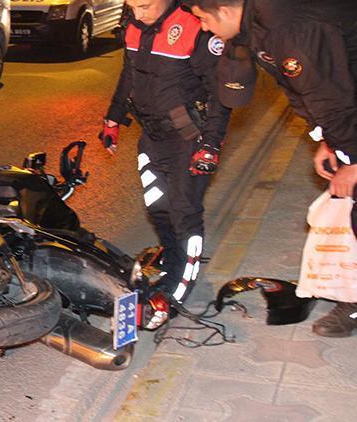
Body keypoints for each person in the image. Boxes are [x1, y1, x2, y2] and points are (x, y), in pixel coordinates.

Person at [186, 0, 357, 337]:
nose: (204, 28)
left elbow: (332, 98)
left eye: (203, 19)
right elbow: (301, 91)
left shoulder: (288, 29)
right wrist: (326, 139)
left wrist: (353, 157)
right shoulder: (258, 28)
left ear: (224, 9)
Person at [101, 0, 231, 329]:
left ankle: (176, 292)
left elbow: (222, 93)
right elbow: (130, 71)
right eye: (132, 6)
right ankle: (174, 261)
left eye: (145, 6)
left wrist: (210, 144)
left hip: (189, 135)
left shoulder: (195, 25)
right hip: (151, 134)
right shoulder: (133, 22)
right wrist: (114, 117)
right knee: (158, 208)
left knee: (183, 211)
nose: (138, 13)